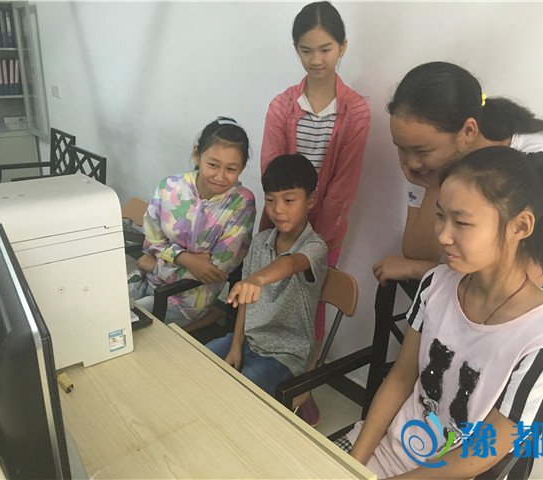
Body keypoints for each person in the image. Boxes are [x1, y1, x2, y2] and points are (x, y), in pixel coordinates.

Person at [340, 146, 543, 479]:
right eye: (440, 215)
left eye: (462, 222)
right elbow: (402, 377)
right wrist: (352, 463)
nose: (443, 235)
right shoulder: (435, 284)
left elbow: (486, 450)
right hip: (385, 452)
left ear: (520, 226)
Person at [373, 61, 543, 345]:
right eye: (401, 149)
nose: (410, 163)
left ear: (468, 131)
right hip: (474, 286)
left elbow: (521, 281)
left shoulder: (537, 161)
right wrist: (434, 186)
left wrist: (420, 271)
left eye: (421, 151)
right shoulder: (428, 163)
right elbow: (418, 251)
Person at [260, 0, 370, 424]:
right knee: (270, 299)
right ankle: (267, 371)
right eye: (306, 50)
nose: (316, 59)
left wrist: (309, 243)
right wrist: (284, 227)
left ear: (342, 47)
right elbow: (272, 170)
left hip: (324, 232)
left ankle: (301, 386)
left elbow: (343, 186)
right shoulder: (281, 105)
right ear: (296, 50)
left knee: (311, 309)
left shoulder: (355, 110)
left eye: (325, 49)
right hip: (279, 221)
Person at [206, 154, 328, 396]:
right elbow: (245, 304)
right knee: (199, 359)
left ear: (311, 200)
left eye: (289, 200)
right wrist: (236, 345)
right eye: (270, 200)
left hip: (284, 356)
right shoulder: (260, 241)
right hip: (248, 342)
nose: (278, 210)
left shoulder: (315, 247)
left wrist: (257, 279)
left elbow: (291, 263)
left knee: (237, 392)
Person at [127, 117, 256, 332]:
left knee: (122, 325)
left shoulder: (241, 203)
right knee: (99, 308)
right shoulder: (169, 188)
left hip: (187, 299)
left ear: (242, 167)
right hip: (145, 278)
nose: (220, 177)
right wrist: (186, 259)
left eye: (231, 169)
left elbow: (214, 271)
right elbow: (151, 243)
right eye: (213, 165)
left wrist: (157, 265)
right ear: (197, 154)